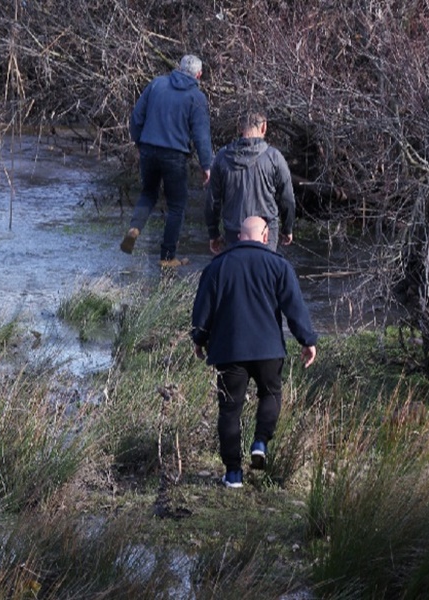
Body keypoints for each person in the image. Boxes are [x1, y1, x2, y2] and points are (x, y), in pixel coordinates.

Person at [190, 216, 318, 488]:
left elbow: (203, 310)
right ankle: (260, 441)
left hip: (229, 351)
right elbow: (294, 308)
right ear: (265, 236)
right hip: (268, 349)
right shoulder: (279, 266)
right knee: (270, 393)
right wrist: (307, 340)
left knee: (229, 410)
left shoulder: (217, 267)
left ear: (238, 236)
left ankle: (233, 474)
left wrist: (198, 339)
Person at [120, 54, 214, 268]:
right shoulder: (197, 98)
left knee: (148, 193)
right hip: (175, 155)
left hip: (149, 149)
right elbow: (201, 135)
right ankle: (167, 256)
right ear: (199, 75)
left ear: (178, 67)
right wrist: (206, 165)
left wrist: (139, 141)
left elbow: (136, 117)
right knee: (177, 206)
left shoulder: (157, 84)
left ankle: (134, 228)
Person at [206, 109, 296, 254]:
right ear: (264, 127)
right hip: (265, 234)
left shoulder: (222, 158)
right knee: (265, 274)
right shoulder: (274, 158)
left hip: (234, 232)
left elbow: (212, 201)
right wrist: (288, 228)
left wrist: (213, 233)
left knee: (236, 274)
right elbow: (287, 198)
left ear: (239, 127)